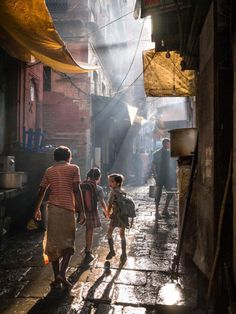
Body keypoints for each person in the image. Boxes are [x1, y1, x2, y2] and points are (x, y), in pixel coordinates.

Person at [34, 146, 85, 289]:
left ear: (55, 158)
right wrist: (81, 211)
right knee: (68, 243)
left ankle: (57, 277)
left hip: (53, 210)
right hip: (68, 210)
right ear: (69, 157)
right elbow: (76, 190)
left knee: (53, 244)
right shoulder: (74, 168)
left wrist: (37, 208)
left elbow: (42, 190)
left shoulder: (49, 170)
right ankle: (62, 274)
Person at [82, 167, 109, 263]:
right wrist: (106, 211)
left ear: (88, 176)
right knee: (90, 230)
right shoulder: (98, 188)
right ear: (98, 178)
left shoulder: (82, 185)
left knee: (85, 229)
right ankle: (88, 251)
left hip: (81, 211)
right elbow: (102, 201)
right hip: (92, 211)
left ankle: (84, 248)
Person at [106, 173, 129, 264]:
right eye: (110, 181)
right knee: (122, 234)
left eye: (112, 181)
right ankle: (124, 254)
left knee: (109, 232)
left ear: (118, 183)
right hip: (123, 216)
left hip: (115, 216)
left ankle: (112, 251)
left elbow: (110, 204)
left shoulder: (113, 192)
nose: (110, 183)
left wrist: (108, 213)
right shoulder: (123, 191)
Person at [151, 138, 177, 218]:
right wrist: (155, 175)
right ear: (163, 144)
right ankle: (156, 211)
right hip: (160, 176)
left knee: (171, 192)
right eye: (166, 143)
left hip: (169, 176)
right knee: (157, 194)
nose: (167, 145)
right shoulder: (157, 153)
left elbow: (176, 164)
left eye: (168, 143)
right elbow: (153, 165)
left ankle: (165, 209)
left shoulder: (172, 153)